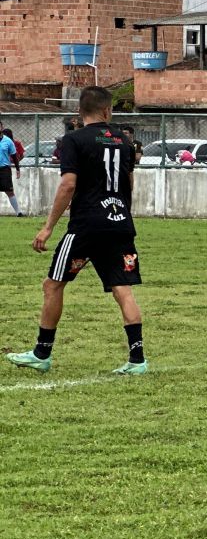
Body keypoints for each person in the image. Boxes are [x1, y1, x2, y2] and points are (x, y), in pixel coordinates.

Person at [8, 87, 146, 375]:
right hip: (120, 224)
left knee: (53, 284)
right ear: (108, 111)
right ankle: (137, 359)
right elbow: (129, 184)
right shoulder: (124, 140)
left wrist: (47, 228)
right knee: (122, 288)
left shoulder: (73, 140)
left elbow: (68, 185)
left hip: (86, 227)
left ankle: (42, 353)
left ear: (80, 112)